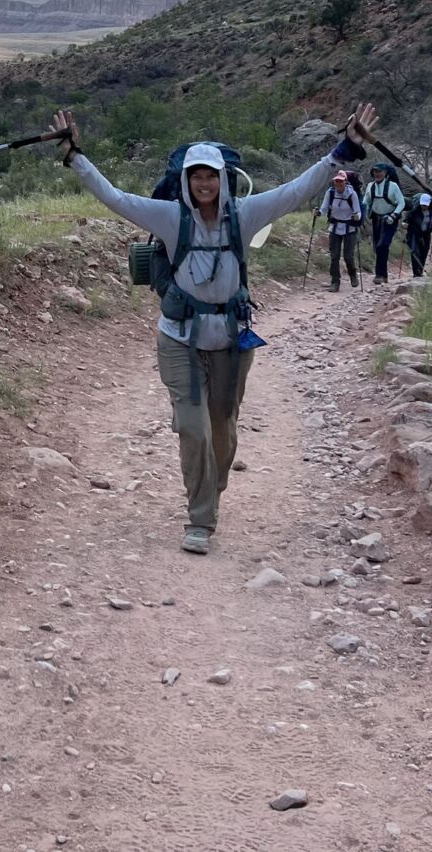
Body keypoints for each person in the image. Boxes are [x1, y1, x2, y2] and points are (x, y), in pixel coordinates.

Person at [48, 104, 379, 556]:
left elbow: (300, 188)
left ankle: (212, 485)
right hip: (179, 339)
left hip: (230, 340)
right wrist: (75, 156)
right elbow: (115, 197)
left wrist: (347, 148)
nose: (204, 184)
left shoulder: (245, 215)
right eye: (196, 176)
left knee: (222, 429)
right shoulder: (168, 217)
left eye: (211, 176)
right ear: (185, 180)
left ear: (224, 178)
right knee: (193, 428)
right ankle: (200, 519)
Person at [318, 170, 364, 292]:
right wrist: (318, 213)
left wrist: (356, 216)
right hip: (334, 227)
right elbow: (323, 208)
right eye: (336, 181)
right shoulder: (331, 193)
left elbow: (358, 211)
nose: (338, 183)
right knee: (334, 256)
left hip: (350, 228)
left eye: (341, 181)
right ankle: (335, 282)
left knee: (348, 256)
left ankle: (352, 274)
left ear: (345, 182)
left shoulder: (352, 194)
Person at [362, 162, 405, 284]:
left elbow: (401, 203)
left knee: (382, 245)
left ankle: (379, 275)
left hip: (390, 219)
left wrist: (394, 215)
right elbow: (366, 201)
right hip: (376, 219)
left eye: (380, 171)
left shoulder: (393, 186)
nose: (377, 174)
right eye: (375, 171)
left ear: (385, 173)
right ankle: (384, 275)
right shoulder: (370, 186)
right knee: (378, 247)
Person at [405, 191, 432, 277]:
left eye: (425, 205)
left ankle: (420, 270)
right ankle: (416, 273)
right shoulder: (414, 210)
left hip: (426, 234)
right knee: (415, 252)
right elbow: (407, 218)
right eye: (423, 204)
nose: (424, 206)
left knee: (424, 252)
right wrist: (405, 223)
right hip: (414, 233)